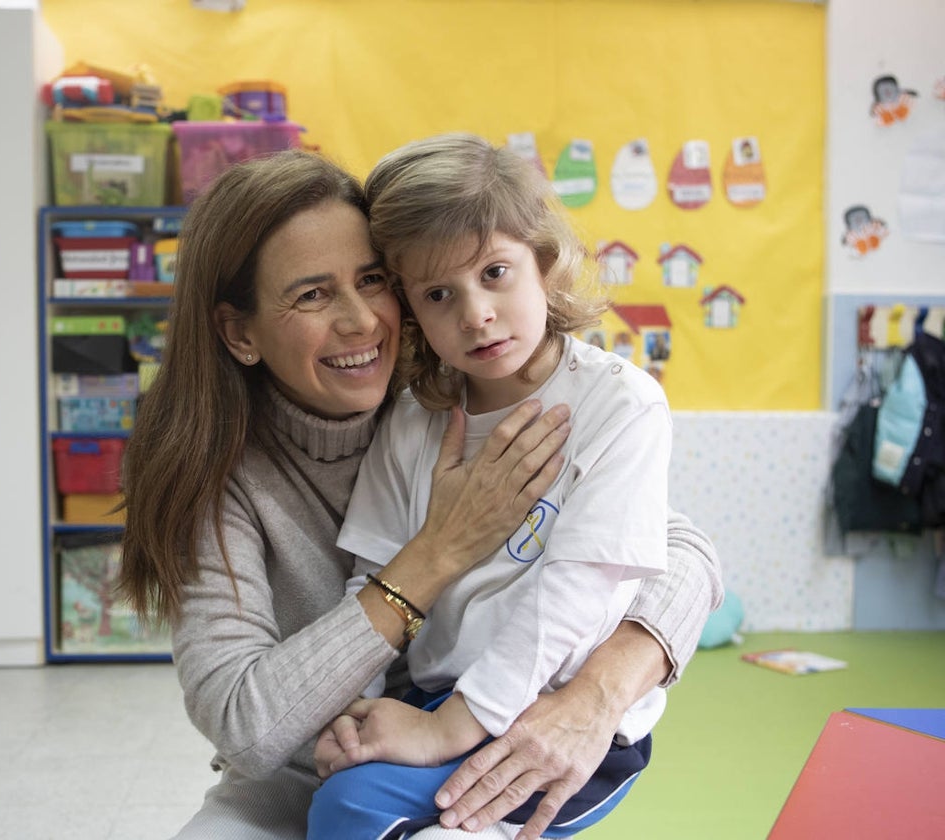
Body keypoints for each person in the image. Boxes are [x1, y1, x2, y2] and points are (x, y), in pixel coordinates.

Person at [117, 149, 722, 840]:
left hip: (493, 721)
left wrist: (599, 691)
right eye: (312, 294)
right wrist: (437, 552)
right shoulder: (222, 471)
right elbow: (247, 724)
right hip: (315, 762)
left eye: (371, 281)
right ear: (239, 332)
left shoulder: (462, 391)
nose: (361, 322)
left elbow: (680, 551)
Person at [307, 132, 672, 840]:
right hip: (436, 697)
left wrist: (448, 731)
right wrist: (357, 716)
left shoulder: (621, 405)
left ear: (544, 261)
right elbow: (376, 580)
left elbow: (573, 597)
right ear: (411, 311)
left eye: (495, 274)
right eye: (440, 293)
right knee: (344, 804)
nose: (474, 313)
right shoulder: (414, 419)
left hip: (556, 714)